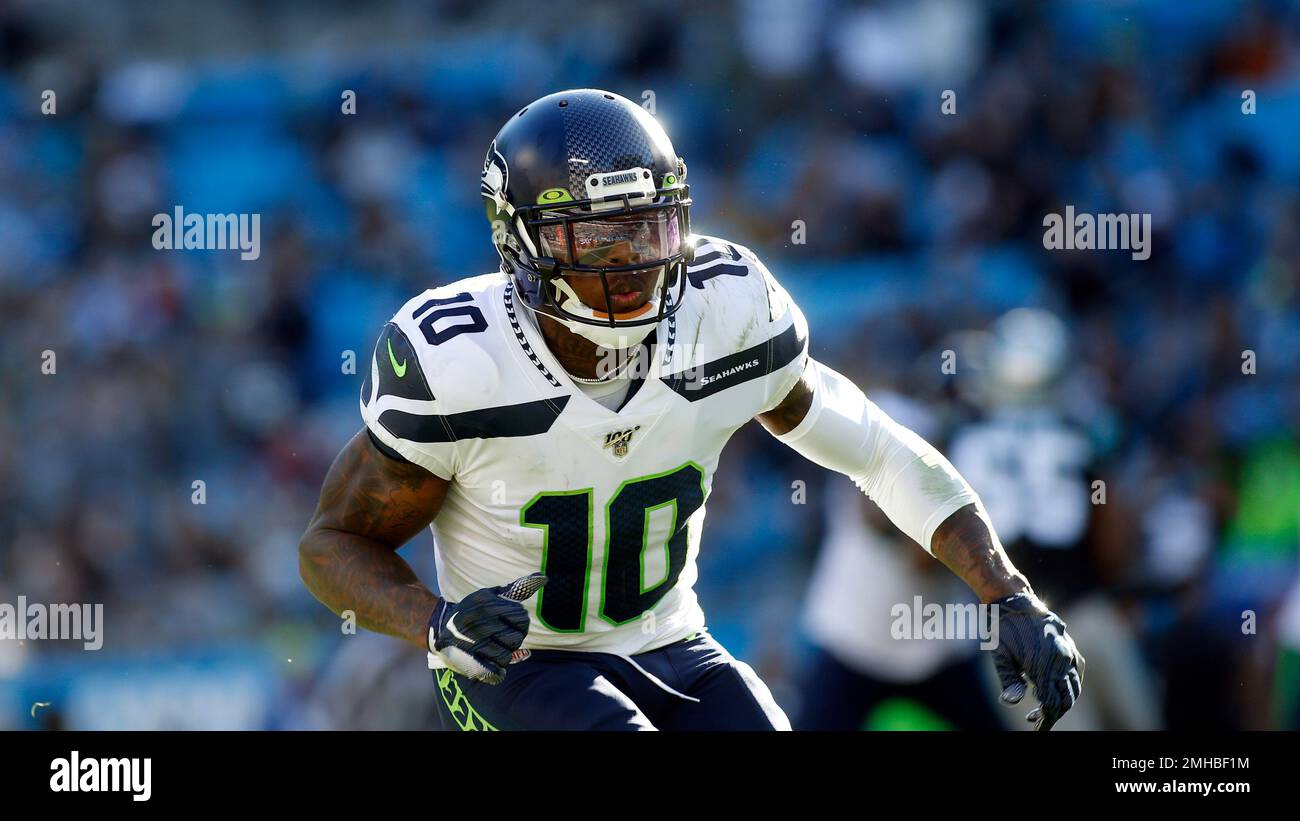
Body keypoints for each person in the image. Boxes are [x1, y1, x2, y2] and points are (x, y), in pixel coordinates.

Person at [298, 89, 1084, 731]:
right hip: (516, 665)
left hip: (675, 642)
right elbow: (331, 542)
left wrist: (1008, 592)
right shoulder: (459, 362)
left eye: (649, 229)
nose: (633, 262)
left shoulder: (726, 307)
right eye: (601, 240)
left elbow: (875, 449)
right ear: (522, 244)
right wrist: (435, 622)